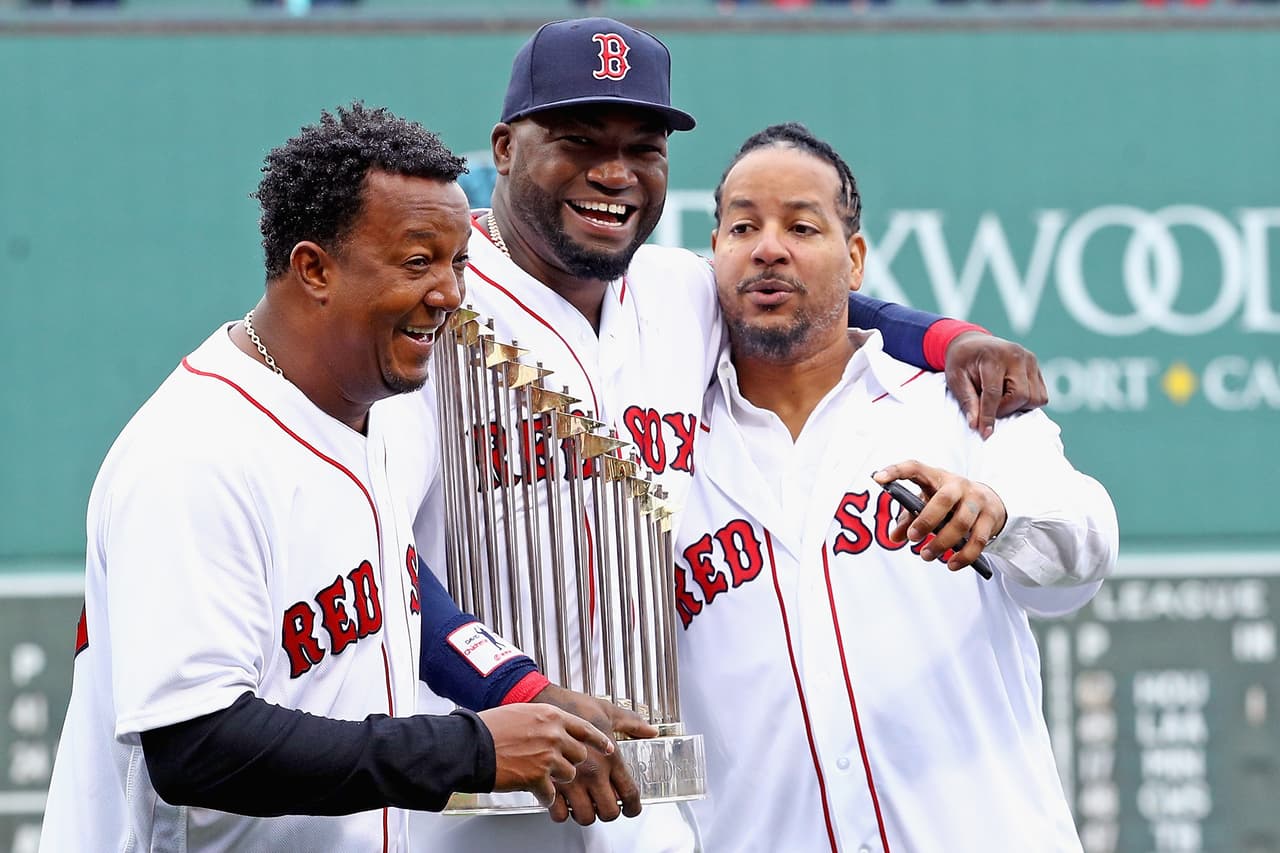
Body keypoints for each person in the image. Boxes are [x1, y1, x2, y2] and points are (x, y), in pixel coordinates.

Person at [411, 16, 1051, 853]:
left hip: (650, 793)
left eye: (644, 145)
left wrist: (947, 339)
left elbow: (822, 300)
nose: (614, 171)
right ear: (504, 146)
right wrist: (510, 685)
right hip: (482, 786)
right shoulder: (432, 301)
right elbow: (376, 551)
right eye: (577, 139)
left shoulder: (679, 289)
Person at [39, 103, 656, 853]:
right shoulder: (194, 453)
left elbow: (402, 597)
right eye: (417, 261)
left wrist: (524, 692)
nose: (450, 293)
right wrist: (475, 748)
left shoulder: (361, 414)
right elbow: (196, 745)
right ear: (315, 268)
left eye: (459, 262)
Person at [673, 122, 1119, 851]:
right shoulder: (667, 440)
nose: (768, 246)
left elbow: (1084, 548)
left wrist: (1000, 515)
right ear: (713, 251)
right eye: (743, 225)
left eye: (801, 225)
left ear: (855, 260)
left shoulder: (957, 402)